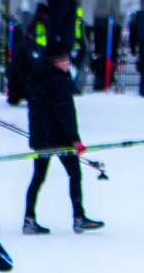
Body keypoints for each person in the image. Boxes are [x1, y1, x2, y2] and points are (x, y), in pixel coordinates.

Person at [23, 44, 100, 234]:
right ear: (57, 62)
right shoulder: (60, 81)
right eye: (65, 60)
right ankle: (79, 218)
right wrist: (75, 139)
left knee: (38, 177)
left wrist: (38, 136)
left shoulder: (37, 77)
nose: (68, 64)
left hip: (41, 138)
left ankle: (29, 219)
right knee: (74, 174)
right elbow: (64, 113)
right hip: (60, 138)